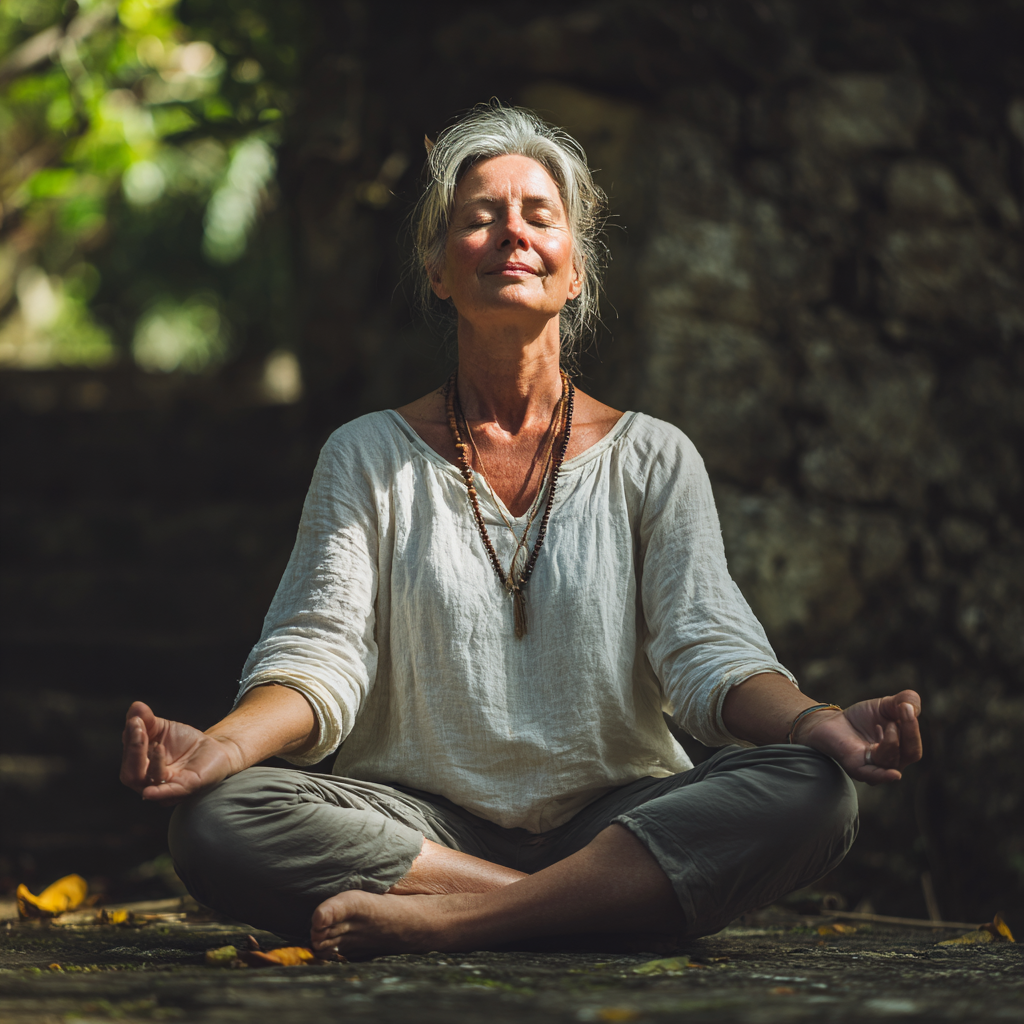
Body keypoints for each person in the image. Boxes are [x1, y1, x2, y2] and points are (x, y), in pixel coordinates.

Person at [119, 103, 922, 959]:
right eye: (480, 217)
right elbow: (321, 659)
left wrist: (814, 723)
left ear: (575, 270)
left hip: (617, 820)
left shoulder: (653, 457)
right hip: (419, 830)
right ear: (437, 269)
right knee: (219, 817)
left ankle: (454, 920)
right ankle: (576, 910)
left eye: (540, 215)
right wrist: (220, 748)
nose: (513, 233)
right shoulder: (366, 455)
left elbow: (708, 655)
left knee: (813, 790)